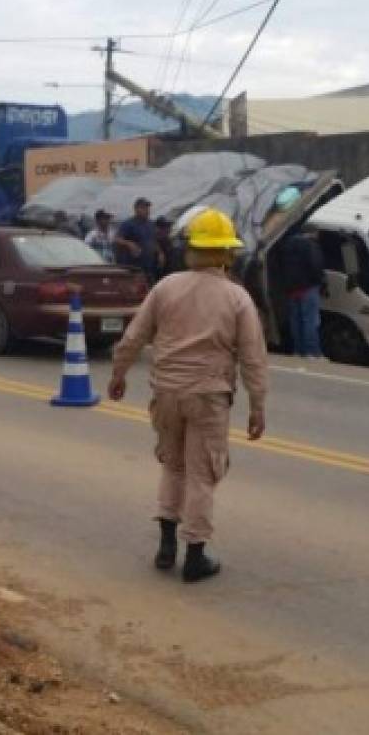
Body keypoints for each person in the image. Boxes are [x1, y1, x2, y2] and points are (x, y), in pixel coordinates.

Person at [109, 208, 268, 584]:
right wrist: (258, 406)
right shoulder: (237, 298)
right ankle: (195, 556)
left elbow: (133, 337)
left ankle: (166, 547)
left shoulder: (165, 287)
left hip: (166, 392)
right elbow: (253, 358)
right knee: (201, 474)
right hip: (208, 397)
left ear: (191, 249)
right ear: (226, 253)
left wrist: (118, 374)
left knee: (173, 466)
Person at [279, 225, 326, 360]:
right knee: (311, 320)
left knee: (296, 321)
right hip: (308, 287)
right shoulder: (310, 245)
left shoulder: (286, 244)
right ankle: (313, 352)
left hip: (292, 289)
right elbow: (316, 265)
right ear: (313, 233)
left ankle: (298, 351)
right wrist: (320, 281)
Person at [114, 197, 159, 283]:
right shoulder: (128, 224)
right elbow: (117, 239)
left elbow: (153, 240)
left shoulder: (150, 224)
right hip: (134, 267)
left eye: (148, 208)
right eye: (144, 208)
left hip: (149, 267)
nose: (147, 210)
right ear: (136, 209)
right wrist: (129, 244)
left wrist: (160, 252)